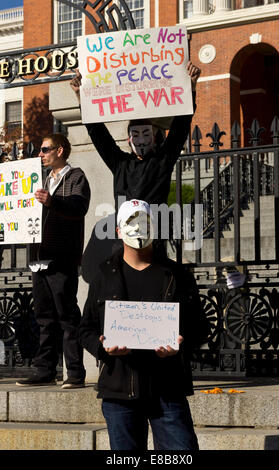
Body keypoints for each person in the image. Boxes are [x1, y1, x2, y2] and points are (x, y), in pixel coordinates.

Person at [79, 199, 210, 450]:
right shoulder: (104, 276)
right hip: (119, 391)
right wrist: (101, 346)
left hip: (167, 390)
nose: (138, 228)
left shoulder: (176, 275)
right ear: (118, 230)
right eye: (130, 222)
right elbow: (85, 329)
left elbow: (201, 327)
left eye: (144, 221)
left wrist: (181, 343)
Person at [70, 61, 201, 208]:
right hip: (124, 229)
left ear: (154, 137)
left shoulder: (162, 161)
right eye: (136, 135)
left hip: (155, 227)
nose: (141, 140)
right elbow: (98, 135)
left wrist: (191, 86)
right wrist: (80, 96)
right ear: (129, 139)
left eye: (146, 134)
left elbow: (180, 128)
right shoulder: (120, 163)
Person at [16, 133, 91, 389]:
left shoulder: (75, 177)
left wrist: (52, 201)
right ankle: (44, 369)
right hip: (39, 257)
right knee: (44, 316)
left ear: (60, 151)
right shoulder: (41, 179)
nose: (41, 154)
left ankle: (74, 373)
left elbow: (78, 206)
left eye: (45, 149)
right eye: (40, 150)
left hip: (62, 257)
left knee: (67, 314)